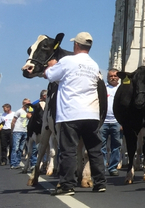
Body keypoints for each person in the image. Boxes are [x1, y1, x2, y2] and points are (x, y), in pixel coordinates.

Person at [44, 32, 107, 196]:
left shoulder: (67, 61)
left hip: (71, 113)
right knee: (94, 150)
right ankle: (100, 183)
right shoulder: (94, 65)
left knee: (68, 151)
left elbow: (50, 76)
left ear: (76, 45)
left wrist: (51, 65)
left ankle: (67, 186)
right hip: (92, 114)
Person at [101, 69, 123, 177]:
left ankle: (113, 167)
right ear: (107, 77)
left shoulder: (122, 89)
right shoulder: (103, 88)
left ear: (118, 77)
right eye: (111, 76)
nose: (113, 77)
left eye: (115, 75)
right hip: (103, 122)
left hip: (117, 122)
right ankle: (102, 167)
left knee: (116, 146)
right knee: (101, 146)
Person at [9, 98, 31, 170]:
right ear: (24, 104)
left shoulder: (28, 112)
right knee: (15, 147)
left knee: (21, 148)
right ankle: (13, 163)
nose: (29, 105)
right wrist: (12, 130)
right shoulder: (19, 111)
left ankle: (17, 162)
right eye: (27, 104)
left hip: (25, 131)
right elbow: (13, 121)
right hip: (17, 131)